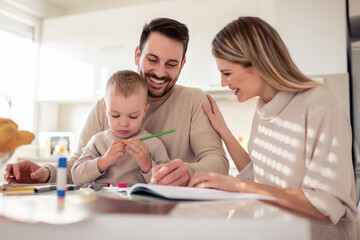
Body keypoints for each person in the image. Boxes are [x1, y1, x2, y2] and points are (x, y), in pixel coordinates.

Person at [188, 16, 359, 240]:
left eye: (227, 73)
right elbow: (257, 179)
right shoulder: (263, 108)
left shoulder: (318, 104)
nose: (223, 83)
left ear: (258, 64)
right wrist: (222, 130)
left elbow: (327, 206)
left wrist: (237, 185)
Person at [4, 17, 229, 186]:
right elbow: (76, 168)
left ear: (182, 64)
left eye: (171, 64)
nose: (160, 72)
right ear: (137, 55)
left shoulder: (194, 100)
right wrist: (44, 173)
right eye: (152, 60)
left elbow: (218, 163)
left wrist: (183, 173)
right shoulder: (106, 106)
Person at [71, 70, 170, 185]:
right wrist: (104, 161)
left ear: (144, 111)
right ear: (105, 109)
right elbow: (76, 177)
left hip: (138, 202)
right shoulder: (98, 142)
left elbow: (167, 183)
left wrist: (148, 166)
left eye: (133, 116)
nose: (123, 123)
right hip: (102, 201)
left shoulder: (154, 144)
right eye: (115, 115)